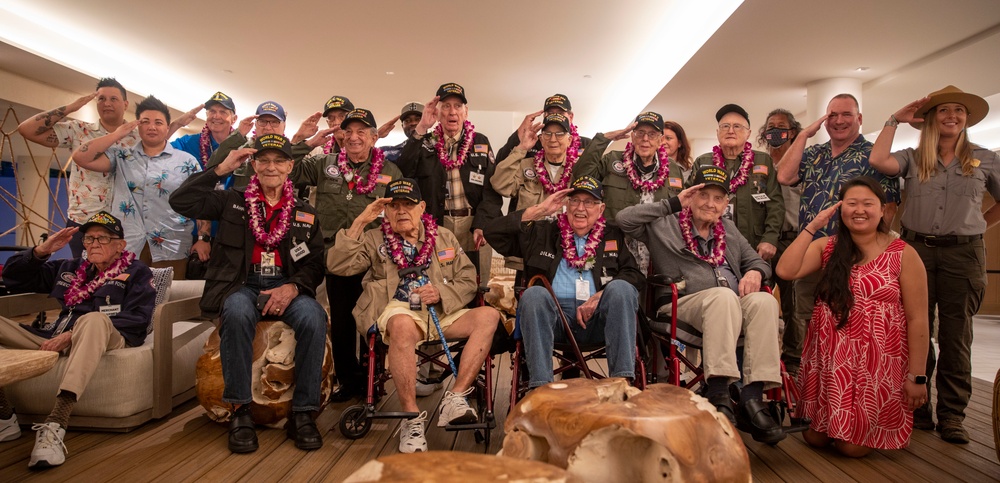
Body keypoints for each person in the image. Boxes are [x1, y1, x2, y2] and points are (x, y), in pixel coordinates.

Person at [168, 133, 328, 453]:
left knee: (314, 317)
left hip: (285, 284)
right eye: (264, 161)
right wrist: (221, 168)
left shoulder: (305, 211)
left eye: (278, 160)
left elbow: (313, 263)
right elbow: (180, 200)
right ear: (253, 165)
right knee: (237, 313)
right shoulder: (233, 200)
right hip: (243, 284)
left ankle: (303, 414)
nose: (271, 167)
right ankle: (240, 412)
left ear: (290, 167)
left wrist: (293, 287)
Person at [328, 178, 500, 453]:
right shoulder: (374, 238)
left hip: (441, 310)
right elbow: (338, 265)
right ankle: (411, 418)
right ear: (386, 211)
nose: (401, 211)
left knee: (489, 316)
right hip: (396, 309)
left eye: (408, 204)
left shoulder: (443, 236)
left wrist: (442, 292)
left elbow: (468, 278)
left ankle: (455, 397)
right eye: (393, 206)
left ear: (422, 207)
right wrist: (361, 221)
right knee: (402, 325)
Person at [868, 85, 1000, 444]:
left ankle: (953, 415)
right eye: (943, 110)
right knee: (914, 332)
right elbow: (878, 160)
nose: (952, 116)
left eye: (958, 110)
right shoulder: (912, 157)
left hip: (964, 255)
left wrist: (978, 226)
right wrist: (895, 119)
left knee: (956, 337)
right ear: (930, 119)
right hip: (916, 252)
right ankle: (918, 409)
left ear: (966, 119)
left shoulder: (986, 159)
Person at [617, 164, 785, 444]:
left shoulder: (728, 229)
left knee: (764, 302)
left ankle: (752, 398)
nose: (710, 203)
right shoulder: (664, 223)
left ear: (725, 204)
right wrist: (673, 203)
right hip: (681, 305)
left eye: (718, 198)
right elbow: (624, 219)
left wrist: (756, 271)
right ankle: (719, 392)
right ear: (690, 195)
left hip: (730, 306)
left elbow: (755, 261)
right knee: (723, 297)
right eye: (703, 195)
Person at [776, 177, 929, 457]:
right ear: (840, 208)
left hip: (877, 366)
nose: (860, 210)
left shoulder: (904, 254)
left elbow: (918, 319)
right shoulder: (828, 247)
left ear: (883, 210)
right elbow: (785, 270)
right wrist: (813, 226)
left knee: (851, 448)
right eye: (851, 204)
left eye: (868, 204)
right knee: (815, 439)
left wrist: (917, 377)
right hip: (831, 363)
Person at [0, 211, 155, 468]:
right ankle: (4, 417)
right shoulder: (69, 268)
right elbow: (13, 278)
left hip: (108, 335)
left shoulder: (136, 272)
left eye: (102, 239)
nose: (93, 244)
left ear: (120, 245)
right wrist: (41, 250)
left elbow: (139, 319)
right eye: (89, 239)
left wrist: (72, 336)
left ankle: (56, 423)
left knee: (93, 320)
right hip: (51, 335)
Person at [775, 94, 900, 376]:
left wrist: (873, 255)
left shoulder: (873, 156)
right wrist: (804, 135)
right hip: (812, 253)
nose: (839, 121)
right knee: (807, 320)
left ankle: (846, 389)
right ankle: (813, 391)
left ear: (859, 118)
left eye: (846, 114)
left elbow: (888, 208)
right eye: (832, 115)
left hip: (854, 255)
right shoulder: (814, 153)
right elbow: (784, 176)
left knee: (850, 326)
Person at [484, 176, 644, 389]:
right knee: (533, 294)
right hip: (553, 319)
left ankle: (621, 383)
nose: (581, 208)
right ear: (565, 205)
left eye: (589, 202)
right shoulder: (543, 232)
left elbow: (634, 275)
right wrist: (540, 210)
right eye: (575, 200)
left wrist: (601, 295)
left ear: (601, 208)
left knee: (622, 288)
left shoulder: (612, 234)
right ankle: (541, 389)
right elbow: (492, 233)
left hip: (598, 321)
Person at [290, 108, 403, 402]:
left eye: (361, 132)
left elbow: (399, 213)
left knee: (372, 319)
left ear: (374, 137)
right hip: (335, 254)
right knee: (341, 321)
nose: (353, 137)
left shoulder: (390, 171)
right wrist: (303, 141)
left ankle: (371, 379)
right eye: (348, 131)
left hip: (374, 259)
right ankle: (347, 380)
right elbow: (289, 169)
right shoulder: (323, 163)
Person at [15, 78, 193, 257]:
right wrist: (70, 107)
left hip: (124, 224)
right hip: (85, 220)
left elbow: (157, 141)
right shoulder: (78, 129)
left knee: (119, 279)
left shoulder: (137, 134)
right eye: (101, 99)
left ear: (125, 104)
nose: (107, 103)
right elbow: (26, 130)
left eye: (113, 99)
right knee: (85, 278)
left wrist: (177, 124)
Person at [70, 96, 208, 279]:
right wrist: (116, 135)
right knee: (124, 299)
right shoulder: (121, 156)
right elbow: (81, 157)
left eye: (158, 122)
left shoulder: (186, 161)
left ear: (167, 127)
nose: (152, 127)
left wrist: (202, 239)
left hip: (172, 244)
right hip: (127, 246)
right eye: (145, 122)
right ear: (137, 126)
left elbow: (202, 201)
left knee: (167, 302)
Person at [396, 83, 496, 272]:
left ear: (466, 112)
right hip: (438, 225)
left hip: (473, 224)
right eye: (446, 106)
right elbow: (403, 171)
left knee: (475, 284)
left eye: (458, 106)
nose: (452, 112)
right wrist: (421, 127)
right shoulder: (425, 141)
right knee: (441, 279)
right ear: (437, 112)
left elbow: (491, 190)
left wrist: (482, 224)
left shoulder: (480, 142)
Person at [693, 104, 783, 267]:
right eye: (725, 126)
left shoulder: (763, 161)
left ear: (748, 133)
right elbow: (689, 203)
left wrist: (770, 239)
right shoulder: (703, 162)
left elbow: (775, 204)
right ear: (717, 132)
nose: (730, 130)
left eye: (737, 126)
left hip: (754, 245)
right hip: (710, 244)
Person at [490, 113, 582, 273]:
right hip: (528, 249)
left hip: (566, 251)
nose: (553, 139)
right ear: (540, 139)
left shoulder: (579, 170)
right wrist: (521, 149)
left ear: (569, 139)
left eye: (559, 133)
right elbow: (500, 185)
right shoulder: (526, 165)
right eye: (547, 133)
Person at [758, 108, 804, 372]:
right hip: (764, 241)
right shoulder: (760, 163)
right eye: (771, 127)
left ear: (793, 131)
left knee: (793, 304)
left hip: (793, 240)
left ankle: (792, 361)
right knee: (761, 299)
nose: (776, 131)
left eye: (781, 127)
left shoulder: (802, 161)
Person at [573, 112, 674, 224]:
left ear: (660, 140)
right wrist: (605, 138)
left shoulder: (673, 169)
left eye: (652, 134)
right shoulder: (612, 159)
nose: (645, 138)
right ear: (633, 136)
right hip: (617, 238)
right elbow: (582, 176)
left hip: (656, 239)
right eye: (640, 133)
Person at [204, 101, 320, 189]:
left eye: (274, 122)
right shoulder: (241, 150)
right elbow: (211, 168)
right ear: (256, 124)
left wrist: (300, 141)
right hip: (241, 214)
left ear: (284, 126)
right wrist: (238, 135)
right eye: (263, 121)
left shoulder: (297, 153)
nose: (268, 127)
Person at [495, 94, 591, 162]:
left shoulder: (586, 144)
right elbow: (501, 161)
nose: (555, 116)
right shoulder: (533, 143)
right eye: (550, 113)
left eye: (560, 113)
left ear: (570, 117)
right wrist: (521, 132)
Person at [170, 92, 237, 169]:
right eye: (212, 111)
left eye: (223, 112)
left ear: (234, 119)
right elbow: (158, 149)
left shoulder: (241, 146)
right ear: (206, 115)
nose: (216, 116)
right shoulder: (189, 142)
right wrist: (176, 124)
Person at [662, 120, 694, 197]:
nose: (663, 142)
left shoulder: (689, 172)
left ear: (679, 143)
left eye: (668, 138)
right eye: (660, 138)